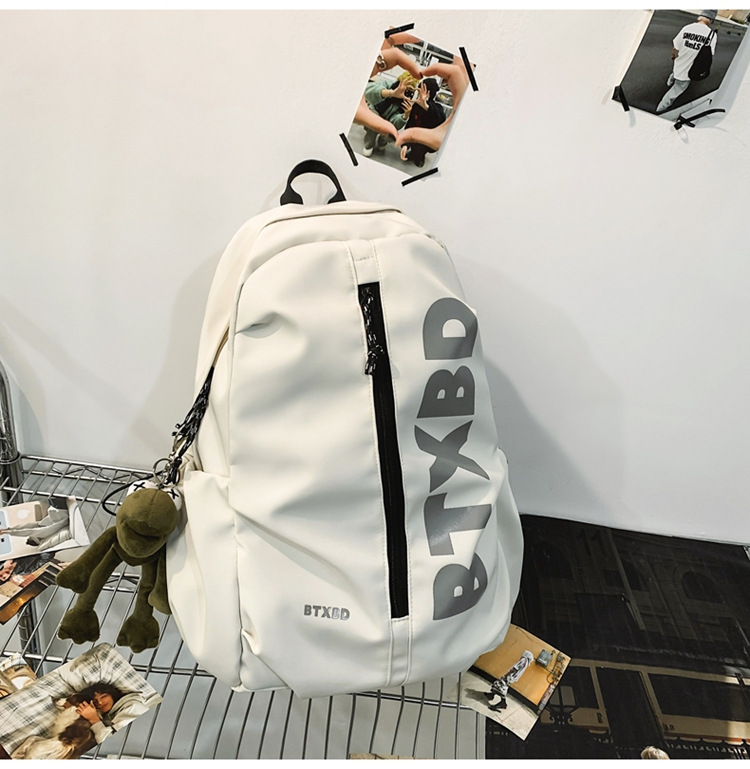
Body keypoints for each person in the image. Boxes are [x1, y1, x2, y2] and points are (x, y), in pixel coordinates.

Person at [656, 10, 718, 113]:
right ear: (711, 20)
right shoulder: (712, 35)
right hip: (689, 70)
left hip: (679, 62)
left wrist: (673, 56)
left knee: (677, 71)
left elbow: (675, 47)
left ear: (701, 16)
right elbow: (709, 55)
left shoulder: (687, 28)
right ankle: (660, 109)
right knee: (676, 90)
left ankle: (671, 79)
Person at [75, 682, 149, 744]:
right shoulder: (108, 715)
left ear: (112, 695)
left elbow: (115, 742)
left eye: (103, 696)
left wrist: (94, 720)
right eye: (94, 701)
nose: (100, 702)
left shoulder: (132, 706)